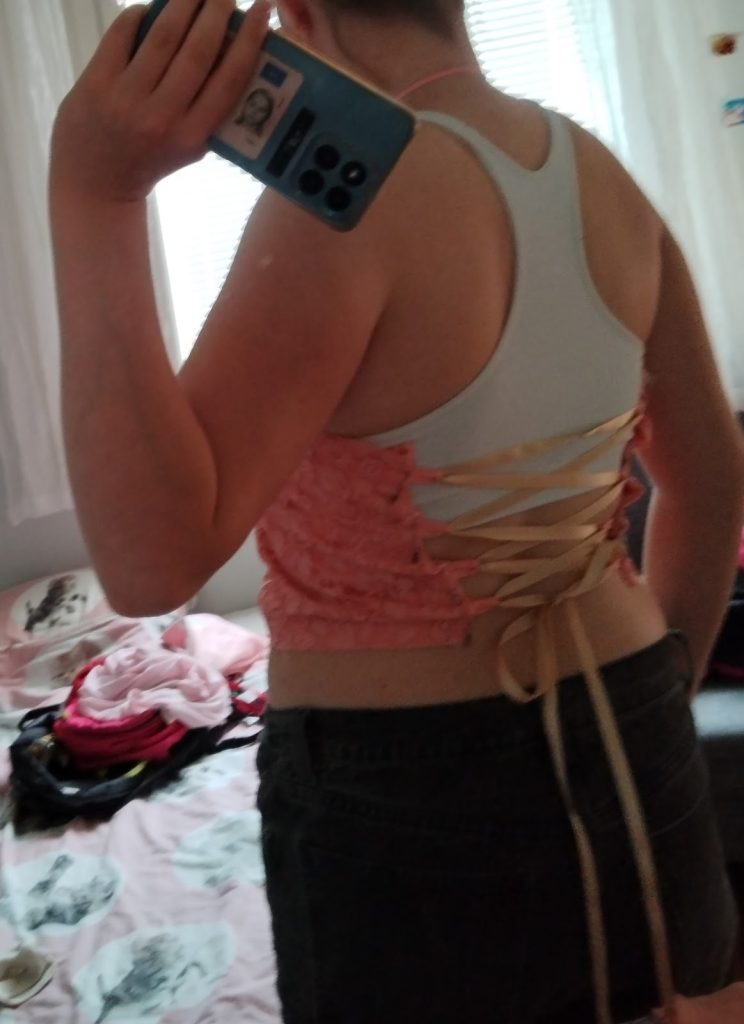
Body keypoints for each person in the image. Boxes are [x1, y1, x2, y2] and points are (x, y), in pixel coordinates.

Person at [48, 0, 744, 1021]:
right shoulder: (601, 176)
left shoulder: (344, 200)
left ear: (297, 14)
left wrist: (94, 195)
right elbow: (712, 477)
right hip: (634, 709)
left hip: (412, 780)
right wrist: (662, 688)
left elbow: (150, 561)